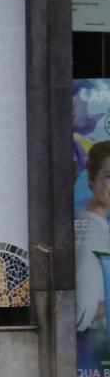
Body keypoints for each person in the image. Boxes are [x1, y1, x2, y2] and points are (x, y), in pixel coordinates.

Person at [77, 141, 110, 333]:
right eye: (109, 176)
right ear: (91, 180)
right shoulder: (90, 232)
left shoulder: (100, 227)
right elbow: (80, 314)